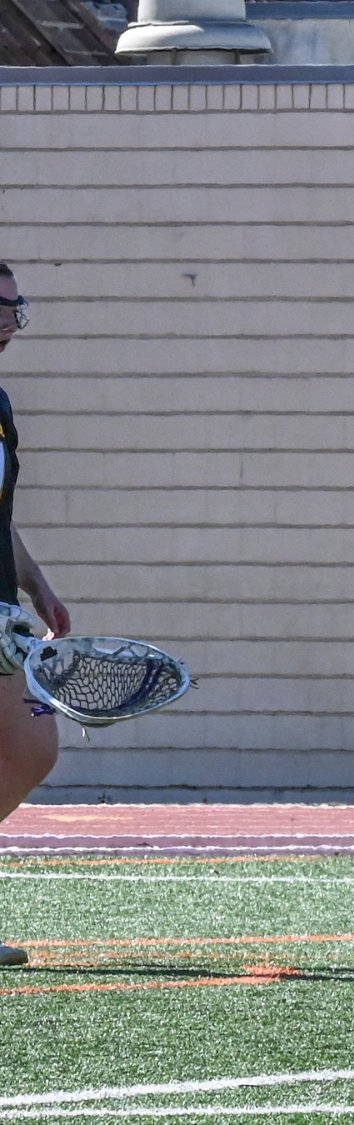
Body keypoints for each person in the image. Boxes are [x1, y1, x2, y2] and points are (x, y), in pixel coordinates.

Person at [0, 262, 73, 969]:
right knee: (28, 746)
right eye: (1, 304)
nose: (11, 319)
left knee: (29, 748)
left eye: (16, 305)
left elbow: (2, 518)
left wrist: (38, 587)